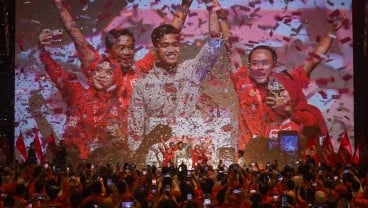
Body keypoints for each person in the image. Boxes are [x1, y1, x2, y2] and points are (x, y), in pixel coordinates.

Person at [211, 0, 347, 152]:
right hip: (249, 153)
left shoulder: (289, 79)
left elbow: (314, 59)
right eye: (255, 63)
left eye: (265, 63)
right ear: (249, 66)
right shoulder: (242, 80)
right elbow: (232, 50)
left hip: (282, 152)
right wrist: (222, 19)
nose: (260, 68)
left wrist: (331, 31)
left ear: (274, 64)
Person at [52, 0, 194, 138]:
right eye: (122, 48)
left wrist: (185, 5)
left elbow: (168, 37)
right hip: (100, 144)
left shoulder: (140, 69)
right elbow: (76, 36)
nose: (127, 52)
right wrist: (59, 6)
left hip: (132, 143)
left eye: (130, 48)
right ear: (109, 51)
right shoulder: (98, 69)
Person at [128, 7, 222, 151]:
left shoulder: (191, 70)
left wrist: (212, 9)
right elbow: (136, 133)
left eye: (175, 45)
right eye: (165, 45)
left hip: (192, 151)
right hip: (159, 157)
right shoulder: (143, 85)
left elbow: (214, 43)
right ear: (156, 49)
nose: (171, 50)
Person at [38, 32, 126, 159]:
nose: (102, 75)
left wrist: (117, 134)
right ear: (92, 72)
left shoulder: (115, 106)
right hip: (71, 158)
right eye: (98, 70)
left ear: (115, 78)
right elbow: (55, 71)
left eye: (109, 73)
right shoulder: (76, 90)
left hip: (98, 164)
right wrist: (41, 49)